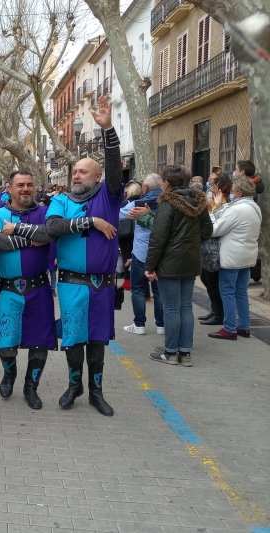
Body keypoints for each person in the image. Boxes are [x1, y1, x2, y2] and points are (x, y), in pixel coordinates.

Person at [44, 95, 123, 416]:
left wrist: (108, 131)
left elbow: (116, 167)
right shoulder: (62, 201)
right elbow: (52, 227)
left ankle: (96, 392)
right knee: (74, 338)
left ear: (97, 177)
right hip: (72, 283)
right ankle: (74, 385)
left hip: (102, 284)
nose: (76, 176)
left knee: (98, 339)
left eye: (83, 172)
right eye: (74, 171)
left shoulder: (110, 196)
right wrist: (89, 221)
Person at [0, 170, 56, 410]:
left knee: (40, 343)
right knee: (6, 344)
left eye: (29, 185)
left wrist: (16, 230)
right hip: (8, 289)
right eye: (20, 185)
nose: (26, 189)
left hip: (39, 287)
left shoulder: (45, 212)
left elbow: (50, 234)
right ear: (9, 188)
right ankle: (10, 374)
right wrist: (33, 238)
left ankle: (31, 386)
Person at [144, 165, 212, 366]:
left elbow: (158, 237)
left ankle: (171, 351)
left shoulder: (167, 203)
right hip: (190, 260)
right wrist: (191, 243)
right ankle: (185, 352)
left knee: (171, 308)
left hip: (169, 262)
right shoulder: (199, 202)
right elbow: (207, 230)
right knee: (185, 307)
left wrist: (150, 266)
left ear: (166, 183)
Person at [207, 177, 261, 340]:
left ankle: (230, 328)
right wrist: (219, 207)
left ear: (239, 193)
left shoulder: (237, 209)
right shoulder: (253, 207)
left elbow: (215, 230)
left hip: (232, 256)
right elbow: (227, 213)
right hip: (247, 255)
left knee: (227, 291)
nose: (230, 193)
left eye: (232, 191)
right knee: (240, 292)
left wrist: (210, 211)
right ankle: (243, 326)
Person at [119, 174, 163, 335]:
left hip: (141, 252)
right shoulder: (167, 202)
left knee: (138, 288)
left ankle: (139, 324)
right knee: (159, 291)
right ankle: (161, 325)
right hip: (161, 252)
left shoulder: (136, 204)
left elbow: (119, 214)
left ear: (145, 188)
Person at [199, 174, 232, 326]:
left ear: (219, 188)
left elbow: (216, 226)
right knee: (206, 279)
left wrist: (212, 208)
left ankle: (219, 313)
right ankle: (215, 310)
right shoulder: (216, 201)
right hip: (208, 247)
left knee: (212, 281)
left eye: (213, 185)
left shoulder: (223, 203)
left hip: (215, 248)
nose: (210, 187)